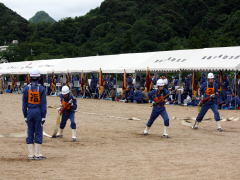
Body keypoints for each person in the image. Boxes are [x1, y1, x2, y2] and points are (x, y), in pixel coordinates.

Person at [22, 69, 47, 160]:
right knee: (38, 132)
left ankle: (30, 154)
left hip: (29, 112)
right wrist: (43, 116)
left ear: (30, 77)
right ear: (39, 77)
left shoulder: (26, 88)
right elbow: (43, 105)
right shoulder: (41, 89)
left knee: (30, 132)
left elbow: (24, 104)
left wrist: (25, 115)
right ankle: (37, 154)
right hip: (38, 112)